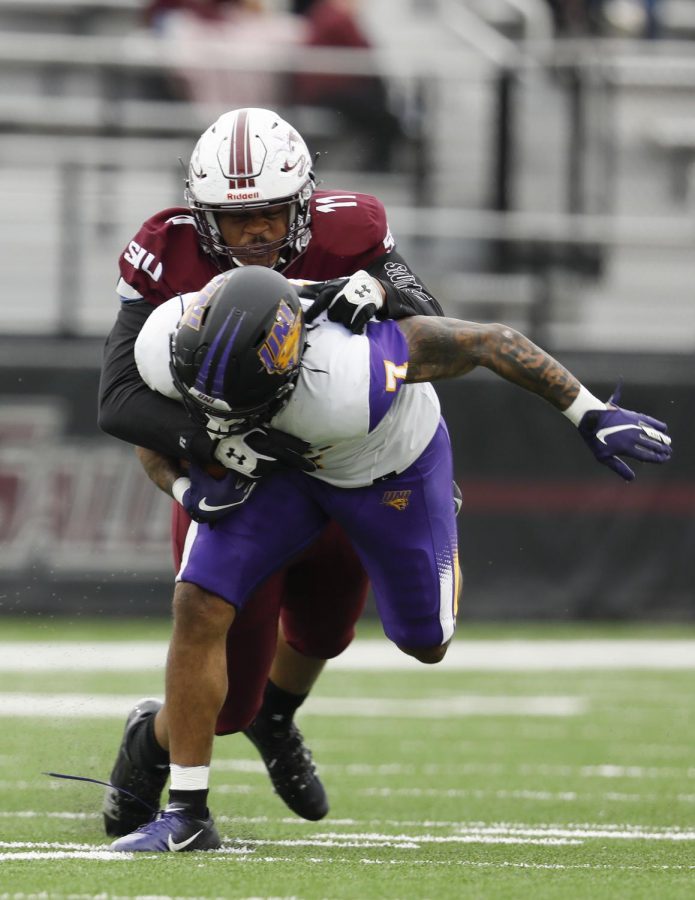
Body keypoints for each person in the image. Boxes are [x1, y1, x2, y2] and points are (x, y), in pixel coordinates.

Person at [107, 264, 671, 851]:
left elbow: (488, 341)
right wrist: (180, 484)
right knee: (197, 603)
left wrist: (588, 411)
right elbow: (152, 426)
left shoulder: (350, 373)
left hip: (386, 471)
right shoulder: (168, 339)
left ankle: (279, 709)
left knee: (427, 640)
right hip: (279, 473)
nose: (222, 416)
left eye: (239, 404)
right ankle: (188, 815)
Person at [97, 106, 445, 837]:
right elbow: (120, 398)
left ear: (304, 202)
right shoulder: (167, 250)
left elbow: (428, 318)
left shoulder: (350, 229)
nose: (255, 232)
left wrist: (383, 291)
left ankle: (279, 718)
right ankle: (154, 743)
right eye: (236, 218)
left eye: (270, 213)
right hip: (240, 472)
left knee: (324, 631)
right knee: (227, 703)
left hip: (340, 464)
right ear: (201, 216)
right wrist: (215, 445)